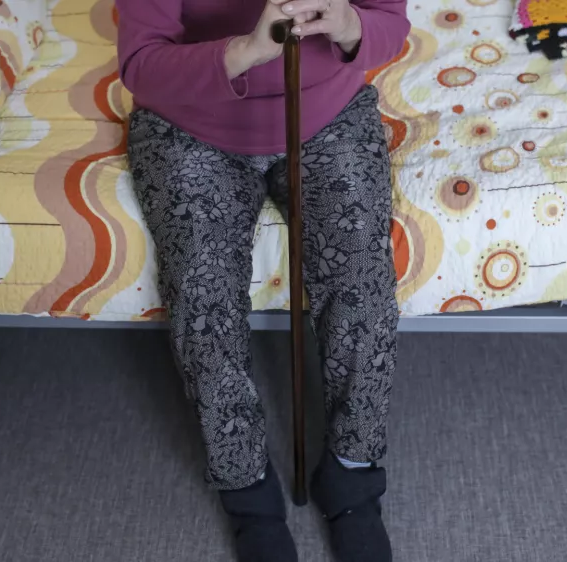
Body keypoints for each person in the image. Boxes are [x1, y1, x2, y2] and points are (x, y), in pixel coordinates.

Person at [117, 0, 410, 560]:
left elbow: (391, 25)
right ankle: (247, 491)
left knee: (362, 279)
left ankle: (352, 474)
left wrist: (348, 25)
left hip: (328, 114)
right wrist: (247, 51)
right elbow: (140, 64)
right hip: (189, 125)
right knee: (202, 294)